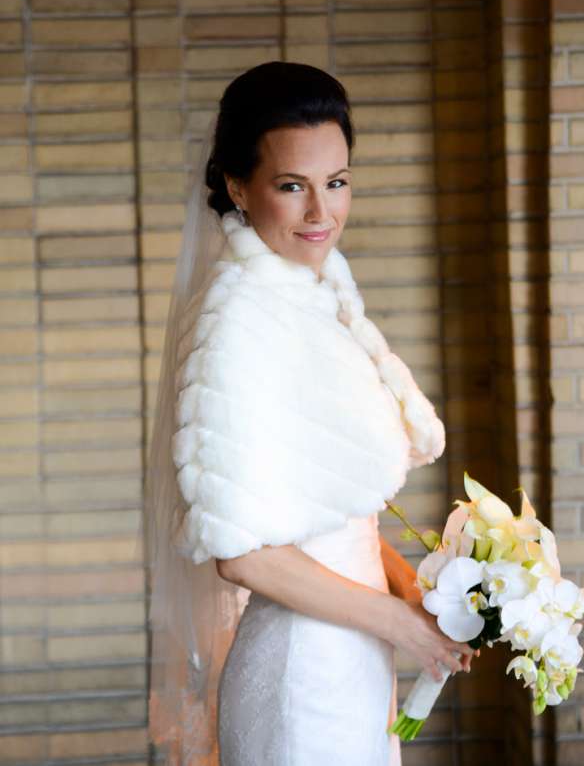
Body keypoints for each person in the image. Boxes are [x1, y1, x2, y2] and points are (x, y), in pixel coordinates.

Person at [144, 60, 477, 766]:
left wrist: (420, 595)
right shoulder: (240, 318)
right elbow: (243, 553)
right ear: (238, 186)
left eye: (337, 182)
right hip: (300, 673)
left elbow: (331, 519)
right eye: (292, 186)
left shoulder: (311, 294)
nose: (321, 213)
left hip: (352, 653)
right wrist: (398, 620)